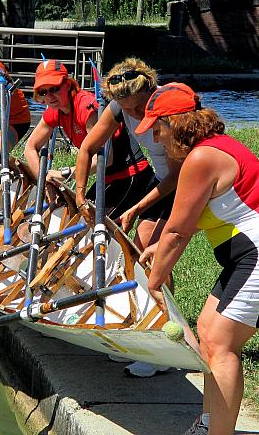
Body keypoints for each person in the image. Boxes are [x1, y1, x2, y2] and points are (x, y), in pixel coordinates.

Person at [137, 84, 259, 435]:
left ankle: (218, 432)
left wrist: (153, 283)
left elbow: (175, 233)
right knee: (208, 333)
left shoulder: (202, 158)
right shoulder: (211, 150)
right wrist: (161, 251)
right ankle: (210, 424)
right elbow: (224, 211)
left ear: (176, 123)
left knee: (220, 343)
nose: (154, 135)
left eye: (157, 126)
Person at [73, 58, 181, 378]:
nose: (133, 116)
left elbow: (176, 176)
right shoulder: (120, 106)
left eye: (136, 108)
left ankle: (165, 347)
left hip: (182, 184)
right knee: (138, 256)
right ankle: (145, 333)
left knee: (152, 258)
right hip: (161, 183)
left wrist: (135, 208)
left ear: (149, 89)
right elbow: (87, 148)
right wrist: (80, 193)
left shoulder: (167, 109)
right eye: (125, 108)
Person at [23, 59, 154, 218]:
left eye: (54, 89)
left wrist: (62, 173)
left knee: (90, 225)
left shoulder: (86, 107)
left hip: (131, 175)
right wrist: (45, 181)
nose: (49, 96)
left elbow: (106, 159)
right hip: (107, 177)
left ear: (68, 84)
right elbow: (30, 147)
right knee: (78, 220)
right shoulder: (55, 110)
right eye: (43, 92)